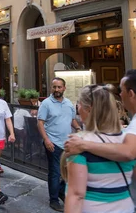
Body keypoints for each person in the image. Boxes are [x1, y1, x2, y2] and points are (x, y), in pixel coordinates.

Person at [65, 70, 136, 212]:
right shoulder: (130, 135)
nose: (120, 95)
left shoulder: (79, 145)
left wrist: (83, 144)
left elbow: (76, 195)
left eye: (121, 90)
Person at [37, 78, 82, 211]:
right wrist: (46, 140)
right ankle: (54, 200)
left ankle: (61, 191)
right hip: (53, 143)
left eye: (59, 87)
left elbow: (72, 120)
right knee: (55, 172)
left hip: (67, 143)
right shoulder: (46, 104)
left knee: (68, 172)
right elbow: (40, 123)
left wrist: (79, 129)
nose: (56, 90)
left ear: (64, 88)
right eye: (54, 87)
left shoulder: (69, 103)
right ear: (51, 88)